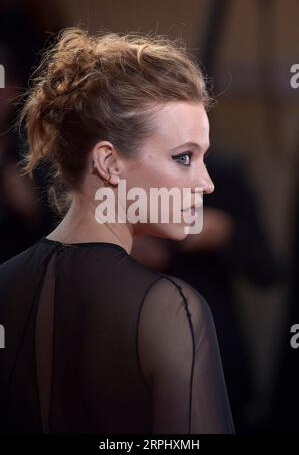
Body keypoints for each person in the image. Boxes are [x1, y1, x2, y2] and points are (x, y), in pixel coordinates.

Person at [0, 27, 235, 434]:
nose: (207, 182)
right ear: (108, 163)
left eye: (203, 157)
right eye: (184, 158)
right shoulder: (168, 310)